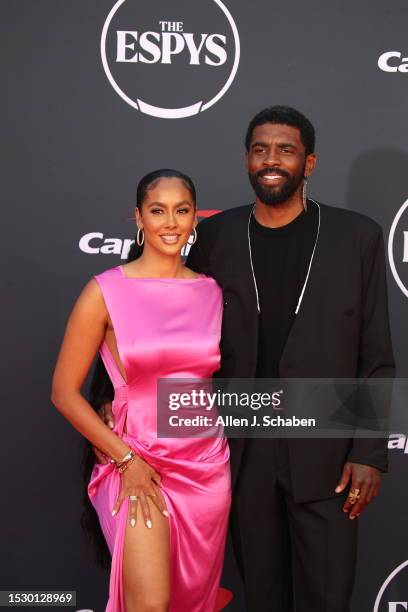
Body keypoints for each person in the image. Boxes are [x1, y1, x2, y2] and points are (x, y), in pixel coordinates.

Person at [94, 106, 395, 612]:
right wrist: (110, 396)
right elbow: (155, 315)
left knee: (329, 597)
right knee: (263, 595)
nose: (271, 159)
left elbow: (376, 352)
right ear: (246, 160)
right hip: (241, 446)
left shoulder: (357, 237)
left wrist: (369, 451)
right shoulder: (217, 236)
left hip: (326, 448)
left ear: (310, 162)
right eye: (260, 150)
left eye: (286, 149)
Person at [51, 169, 231, 612]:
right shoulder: (105, 291)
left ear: (194, 219)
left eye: (182, 210)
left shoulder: (211, 292)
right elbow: (63, 391)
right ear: (138, 218)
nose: (170, 222)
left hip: (206, 468)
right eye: (157, 210)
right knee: (149, 605)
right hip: (136, 464)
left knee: (192, 603)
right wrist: (124, 457)